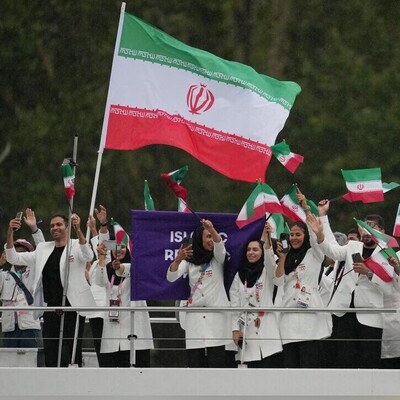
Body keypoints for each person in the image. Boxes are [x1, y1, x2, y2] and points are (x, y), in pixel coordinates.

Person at [5, 213, 96, 367]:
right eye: (52, 226)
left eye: (59, 225)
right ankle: (53, 386)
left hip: (73, 307)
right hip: (50, 308)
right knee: (51, 351)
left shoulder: (75, 245)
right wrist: (10, 231)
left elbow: (88, 255)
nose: (55, 228)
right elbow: (13, 258)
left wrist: (79, 229)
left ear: (67, 227)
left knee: (72, 352)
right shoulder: (43, 248)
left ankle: (74, 384)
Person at [306, 204, 388, 368]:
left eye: (372, 227)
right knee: (343, 360)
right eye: (363, 227)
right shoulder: (352, 246)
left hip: (370, 316)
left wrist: (369, 273)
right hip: (343, 313)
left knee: (368, 362)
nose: (366, 231)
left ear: (382, 232)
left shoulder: (387, 255)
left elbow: (389, 286)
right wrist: (321, 235)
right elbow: (332, 251)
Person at [275, 193, 332, 368]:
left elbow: (315, 235)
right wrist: (282, 257)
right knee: (290, 365)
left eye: (298, 234)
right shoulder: (287, 256)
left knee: (309, 363)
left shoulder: (314, 253)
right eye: (291, 235)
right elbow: (277, 281)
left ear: (304, 235)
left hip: (310, 316)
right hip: (288, 316)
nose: (293, 238)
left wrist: (306, 207)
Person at [166, 219, 232, 368]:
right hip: (195, 317)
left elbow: (220, 248)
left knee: (217, 363)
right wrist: (177, 260)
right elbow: (171, 277)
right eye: (207, 237)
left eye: (211, 237)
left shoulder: (217, 259)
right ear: (199, 239)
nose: (210, 240)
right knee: (195, 363)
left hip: (216, 317)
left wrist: (212, 229)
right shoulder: (189, 260)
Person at [91, 241, 154, 367]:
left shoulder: (137, 266)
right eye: (115, 247)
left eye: (123, 247)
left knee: (137, 370)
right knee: (112, 370)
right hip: (113, 325)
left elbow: (123, 270)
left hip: (134, 325)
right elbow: (99, 281)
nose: (119, 250)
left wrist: (118, 267)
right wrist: (102, 258)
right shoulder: (107, 267)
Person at [229, 221, 282, 367]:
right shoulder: (239, 275)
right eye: (249, 250)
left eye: (255, 250)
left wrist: (268, 239)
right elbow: (234, 305)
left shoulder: (267, 271)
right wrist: (235, 329)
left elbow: (270, 262)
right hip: (247, 331)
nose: (251, 253)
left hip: (267, 331)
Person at [0, 239, 43, 348]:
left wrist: (34, 229)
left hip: (30, 326)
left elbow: (43, 253)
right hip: (9, 328)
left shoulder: (36, 272)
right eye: (15, 253)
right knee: (9, 362)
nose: (19, 256)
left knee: (31, 361)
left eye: (22, 253)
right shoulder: (4, 276)